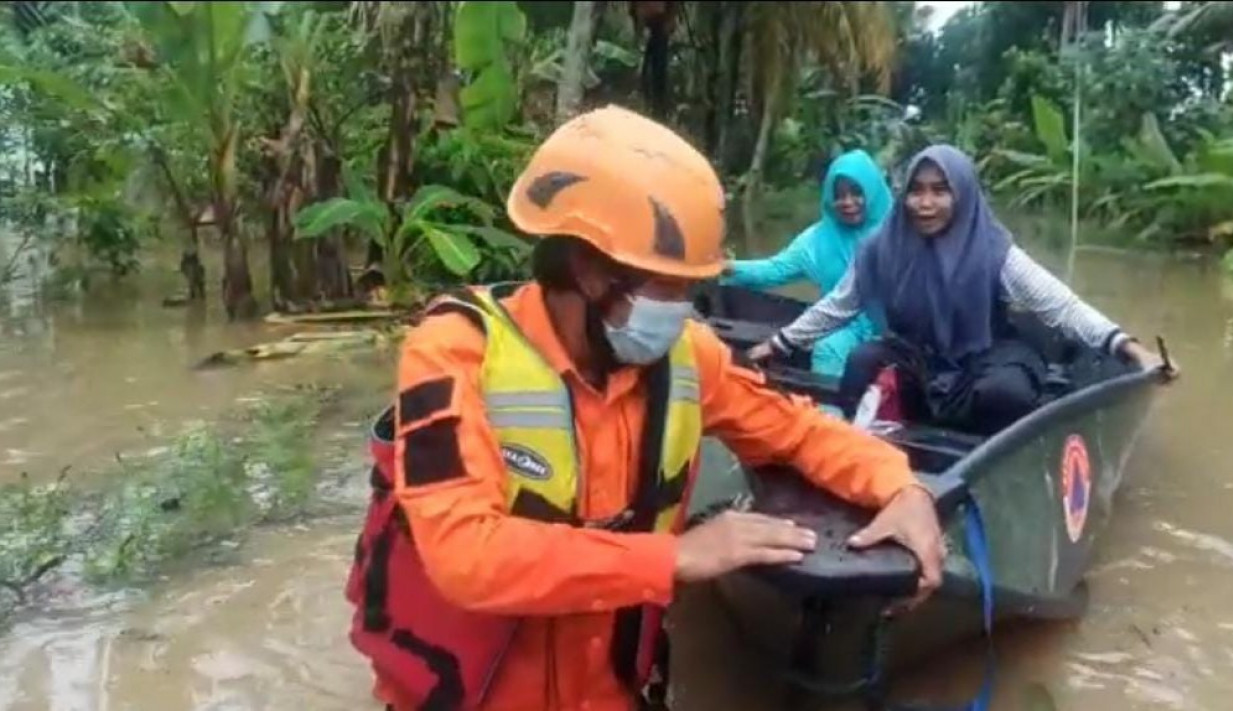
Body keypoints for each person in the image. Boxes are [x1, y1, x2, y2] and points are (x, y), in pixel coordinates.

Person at [344, 105, 945, 711]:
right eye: (670, 286)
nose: (685, 307)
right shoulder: (454, 349)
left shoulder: (689, 357)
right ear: (589, 269)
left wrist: (901, 488)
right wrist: (678, 556)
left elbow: (798, 430)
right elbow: (464, 555)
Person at [748, 144, 1176, 436]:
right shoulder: (882, 247)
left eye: (940, 191)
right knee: (861, 363)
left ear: (964, 195)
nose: (925, 203)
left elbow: (1060, 307)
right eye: (916, 191)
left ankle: (991, 467)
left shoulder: (992, 249)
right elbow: (837, 308)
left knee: (1004, 394)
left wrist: (1129, 349)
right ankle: (874, 444)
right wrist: (780, 343)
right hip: (918, 356)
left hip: (985, 353)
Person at [720, 150, 892, 378]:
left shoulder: (901, 231)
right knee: (828, 347)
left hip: (896, 328)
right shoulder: (816, 240)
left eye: (857, 193)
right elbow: (774, 270)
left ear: (873, 191)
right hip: (842, 324)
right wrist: (724, 266)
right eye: (839, 195)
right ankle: (829, 410)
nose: (848, 202)